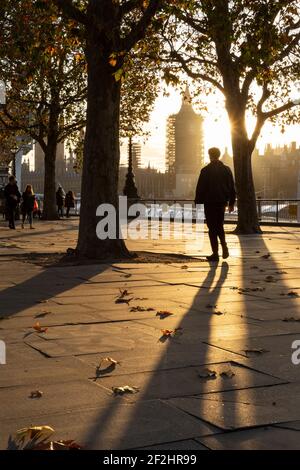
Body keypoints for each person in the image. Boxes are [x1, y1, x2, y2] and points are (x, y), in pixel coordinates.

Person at [195, 147, 236, 262]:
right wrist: (231, 203)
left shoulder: (205, 170)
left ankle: (215, 253)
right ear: (219, 155)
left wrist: (198, 203)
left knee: (211, 228)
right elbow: (232, 188)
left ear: (209, 155)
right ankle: (224, 246)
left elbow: (200, 189)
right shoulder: (226, 170)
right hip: (222, 202)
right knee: (219, 225)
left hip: (209, 202)